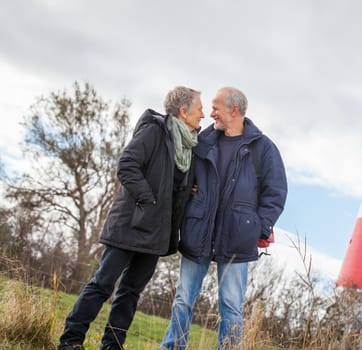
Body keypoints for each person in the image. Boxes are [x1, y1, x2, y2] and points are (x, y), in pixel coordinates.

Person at [57, 86, 204, 350]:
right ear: (183, 111)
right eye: (199, 109)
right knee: (102, 284)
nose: (203, 115)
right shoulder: (155, 131)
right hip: (131, 224)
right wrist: (148, 200)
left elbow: (171, 183)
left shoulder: (189, 146)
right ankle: (70, 341)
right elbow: (127, 165)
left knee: (130, 294)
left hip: (157, 233)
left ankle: (112, 346)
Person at [160, 87, 288, 350]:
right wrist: (190, 193)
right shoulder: (202, 141)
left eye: (216, 107)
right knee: (183, 299)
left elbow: (275, 193)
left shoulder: (263, 148)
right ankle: (172, 347)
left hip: (238, 239)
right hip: (199, 230)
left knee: (230, 307)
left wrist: (259, 228)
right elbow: (184, 173)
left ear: (234, 110)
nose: (210, 113)